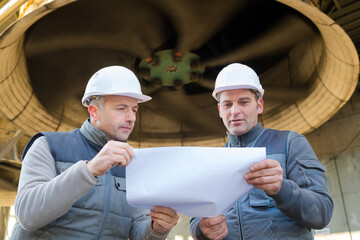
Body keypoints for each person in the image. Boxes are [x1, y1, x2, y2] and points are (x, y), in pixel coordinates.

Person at [11, 66, 180, 239]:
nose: (132, 118)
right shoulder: (48, 145)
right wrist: (89, 170)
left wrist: (157, 229)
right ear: (94, 112)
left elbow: (137, 230)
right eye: (121, 108)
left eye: (134, 109)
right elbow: (27, 215)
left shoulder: (133, 164)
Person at [190, 63, 334, 240]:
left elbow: (322, 213)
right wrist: (201, 229)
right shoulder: (214, 161)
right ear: (220, 110)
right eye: (227, 104)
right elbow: (196, 220)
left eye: (244, 102)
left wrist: (282, 189)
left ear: (259, 105)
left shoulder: (290, 143)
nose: (235, 111)